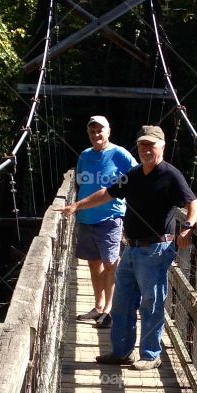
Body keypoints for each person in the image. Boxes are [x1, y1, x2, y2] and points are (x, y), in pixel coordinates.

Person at [62, 124, 197, 370]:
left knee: (151, 302)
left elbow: (193, 202)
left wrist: (188, 226)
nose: (146, 150)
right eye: (142, 145)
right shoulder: (134, 174)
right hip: (131, 249)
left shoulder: (170, 174)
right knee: (122, 302)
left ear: (162, 146)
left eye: (152, 145)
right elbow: (107, 193)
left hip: (156, 249)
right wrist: (78, 206)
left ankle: (150, 355)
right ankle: (121, 352)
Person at [72, 116, 137, 328]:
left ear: (108, 131)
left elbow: (138, 176)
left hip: (110, 217)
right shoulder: (85, 155)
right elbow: (80, 180)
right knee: (93, 263)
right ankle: (98, 306)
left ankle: (109, 310)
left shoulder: (120, 154)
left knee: (111, 264)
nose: (96, 135)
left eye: (100, 131)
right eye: (92, 131)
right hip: (86, 218)